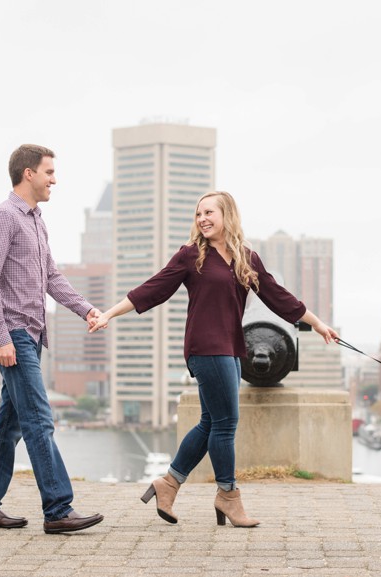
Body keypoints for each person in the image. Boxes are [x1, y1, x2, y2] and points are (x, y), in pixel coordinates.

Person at [89, 190, 338, 528]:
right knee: (225, 424)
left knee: (210, 422)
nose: (202, 219)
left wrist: (318, 323)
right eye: (198, 214)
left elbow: (279, 297)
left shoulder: (246, 258)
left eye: (209, 213)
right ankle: (228, 495)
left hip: (232, 349)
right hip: (206, 348)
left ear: (227, 215)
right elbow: (153, 288)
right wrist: (109, 314)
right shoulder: (191, 256)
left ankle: (168, 483)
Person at [0, 144, 104, 535]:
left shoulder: (36, 220)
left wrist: (86, 309)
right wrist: (0, 338)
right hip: (12, 334)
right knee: (39, 421)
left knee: (10, 424)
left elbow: (52, 278)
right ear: (28, 173)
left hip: (31, 333)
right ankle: (59, 509)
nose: (54, 179)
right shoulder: (3, 217)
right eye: (49, 172)